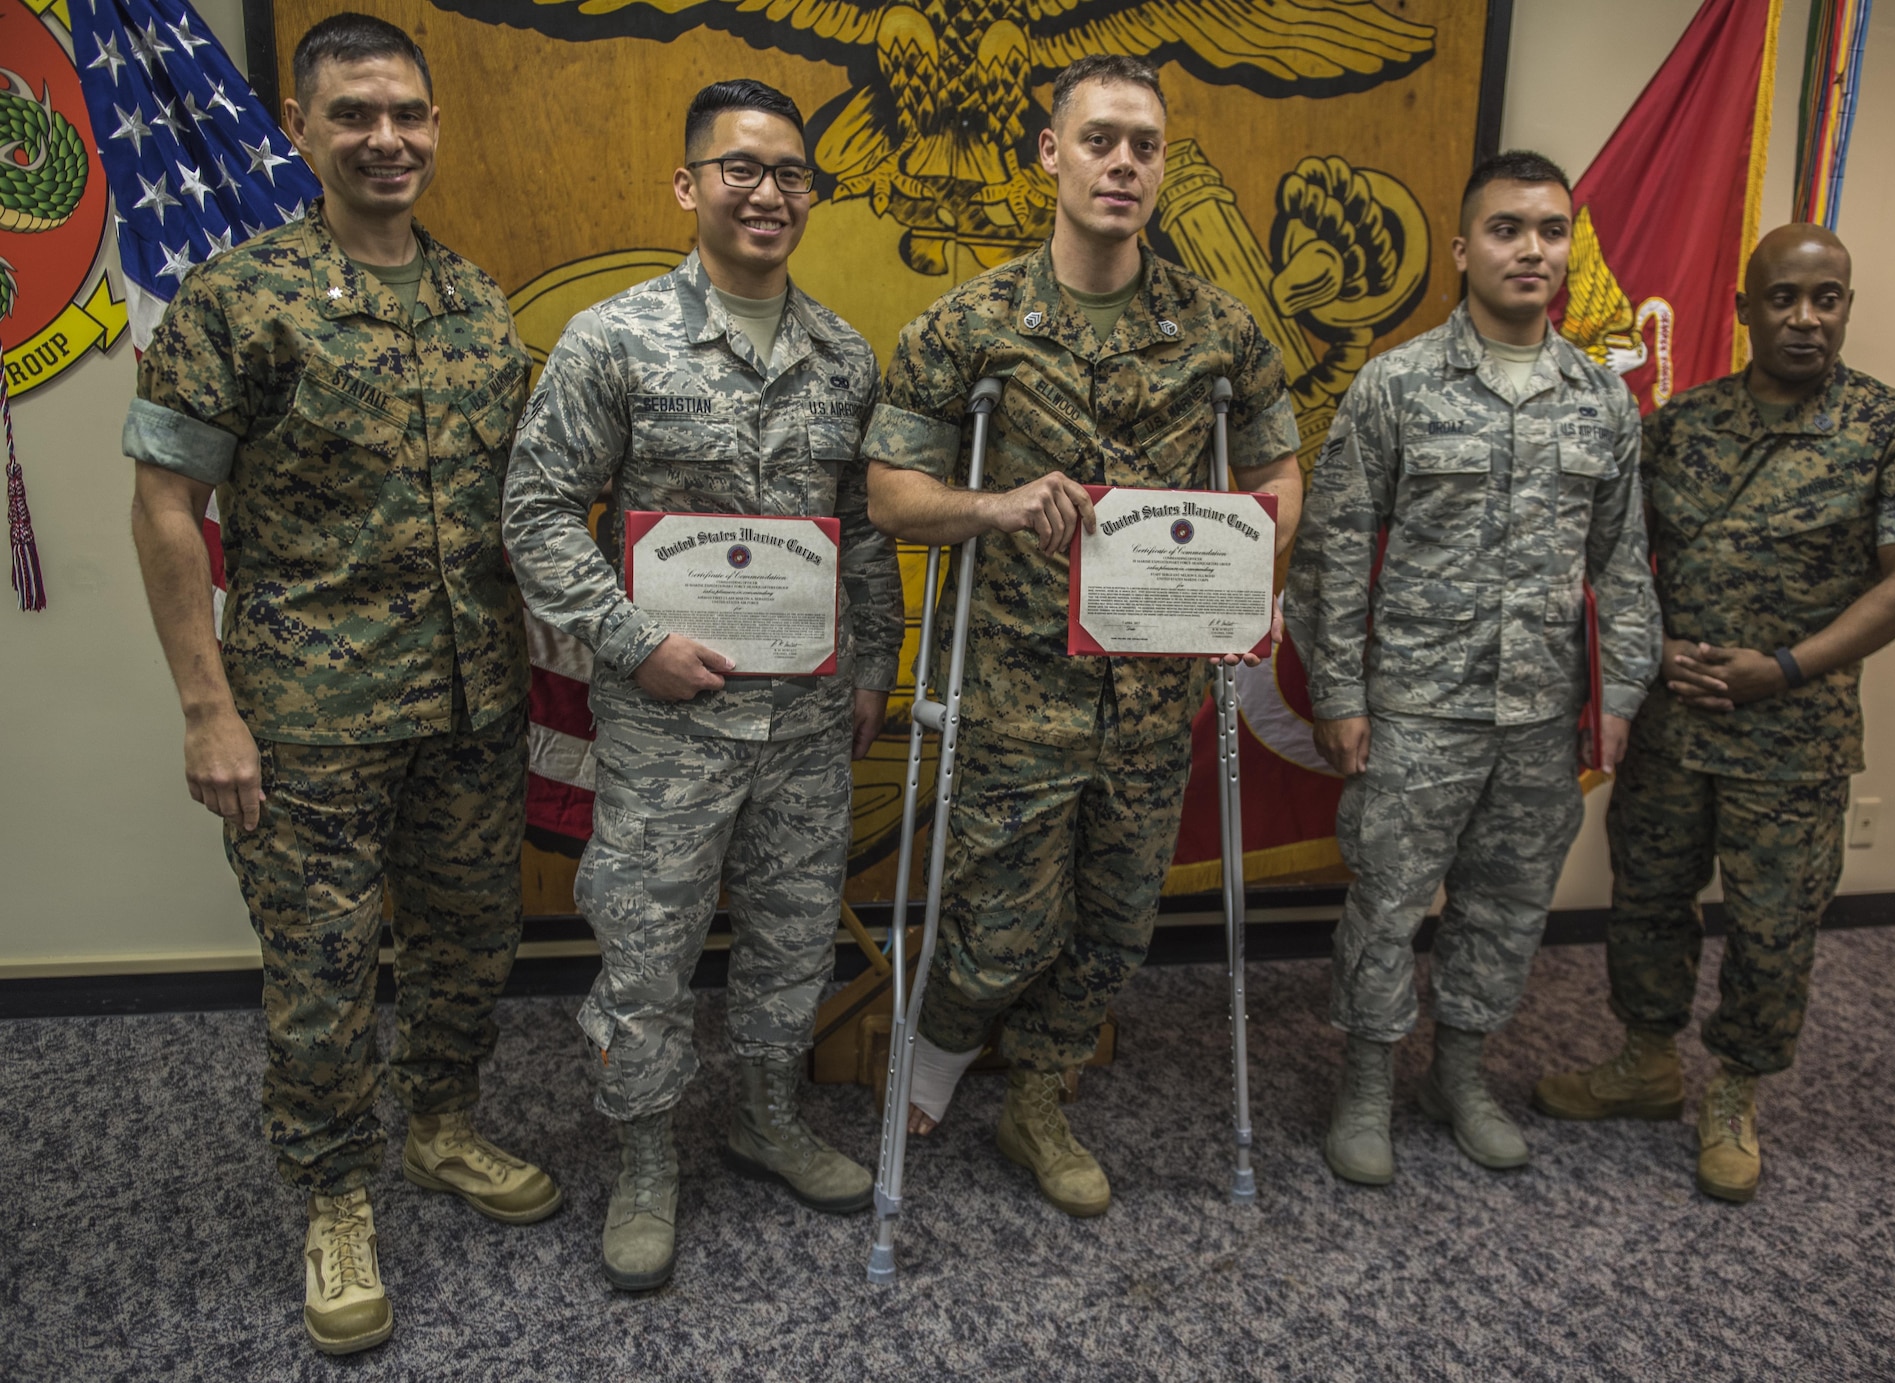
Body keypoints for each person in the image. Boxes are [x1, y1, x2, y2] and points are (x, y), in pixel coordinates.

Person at [124, 13, 557, 1356]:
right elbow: (163, 507)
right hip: (309, 714)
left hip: (473, 703)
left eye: (407, 114)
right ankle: (335, 1192)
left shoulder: (478, 301)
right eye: (355, 115)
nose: (387, 139)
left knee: (471, 941)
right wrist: (208, 707)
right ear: (301, 129)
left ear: (435, 126)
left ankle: (440, 1126)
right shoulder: (235, 299)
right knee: (321, 973)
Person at [863, 55, 1302, 1219]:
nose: (1122, 163)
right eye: (1099, 140)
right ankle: (941, 1047)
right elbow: (892, 493)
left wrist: (1241, 584)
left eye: (1144, 146)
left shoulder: (1215, 330)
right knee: (999, 932)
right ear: (1048, 155)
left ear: (1163, 166)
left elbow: (1272, 471)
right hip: (1013, 688)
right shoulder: (969, 324)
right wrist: (996, 506)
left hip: (1156, 697)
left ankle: (1038, 1101)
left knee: (1113, 928)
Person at [503, 79, 902, 1291]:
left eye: (790, 172)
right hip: (668, 716)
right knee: (647, 949)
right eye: (741, 167)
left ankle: (766, 1117)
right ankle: (643, 1156)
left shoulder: (842, 357)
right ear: (689, 185)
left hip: (803, 717)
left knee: (789, 938)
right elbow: (532, 510)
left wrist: (874, 662)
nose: (769, 191)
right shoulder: (614, 340)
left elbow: (866, 528)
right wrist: (632, 643)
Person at [1534, 225, 1895, 1202]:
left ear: (1846, 307)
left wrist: (1782, 668)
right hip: (1671, 726)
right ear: (1742, 309)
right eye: (1781, 298)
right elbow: (1612, 558)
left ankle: (1732, 1092)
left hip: (1790, 740)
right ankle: (1643, 1062)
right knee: (1646, 899)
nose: (1804, 318)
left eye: (1826, 298)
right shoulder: (1677, 428)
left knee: (1773, 926)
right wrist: (1643, 653)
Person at [1285, 150, 1661, 1187]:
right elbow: (1330, 550)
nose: (1528, 248)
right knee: (1388, 902)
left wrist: (1617, 698)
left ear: (1568, 247)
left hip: (1543, 714)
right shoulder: (1395, 384)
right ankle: (1363, 1084)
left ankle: (1459, 1074)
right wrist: (1339, 694)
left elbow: (1621, 566)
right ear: (1462, 248)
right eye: (1505, 228)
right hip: (1416, 709)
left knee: (1505, 907)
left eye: (1548, 229)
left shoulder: (1599, 400)